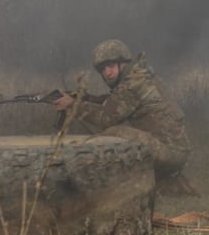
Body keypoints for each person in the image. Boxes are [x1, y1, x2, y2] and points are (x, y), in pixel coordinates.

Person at [52, 39, 194, 196]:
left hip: (169, 152)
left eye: (111, 66)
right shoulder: (140, 77)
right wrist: (85, 99)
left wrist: (73, 105)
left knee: (112, 133)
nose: (107, 73)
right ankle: (165, 181)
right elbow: (113, 102)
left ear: (123, 63)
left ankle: (97, 186)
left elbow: (106, 118)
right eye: (102, 69)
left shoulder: (133, 85)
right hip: (174, 152)